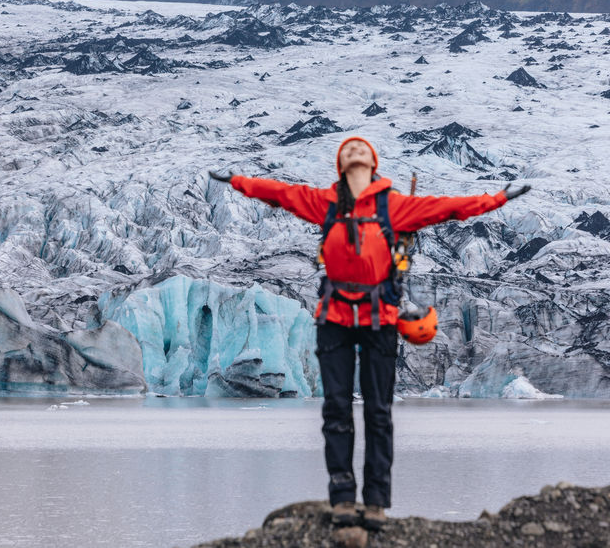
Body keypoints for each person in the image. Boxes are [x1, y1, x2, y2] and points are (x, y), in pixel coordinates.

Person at [210, 136, 530, 530]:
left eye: (362, 147)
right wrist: (237, 181)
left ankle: (375, 501)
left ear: (373, 161)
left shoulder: (394, 206)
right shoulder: (325, 202)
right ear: (340, 163)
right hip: (335, 320)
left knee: (379, 413)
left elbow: (450, 209)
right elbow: (280, 194)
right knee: (336, 411)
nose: (355, 148)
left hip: (380, 319)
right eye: (348, 148)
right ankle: (343, 497)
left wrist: (499, 197)